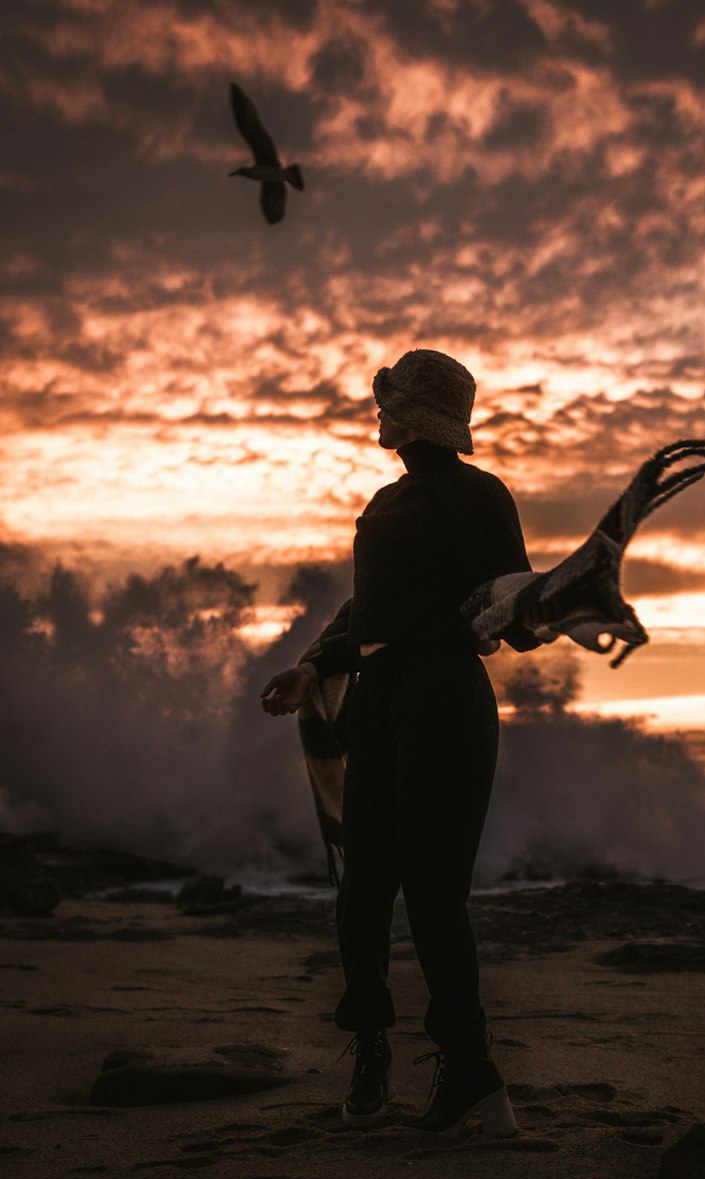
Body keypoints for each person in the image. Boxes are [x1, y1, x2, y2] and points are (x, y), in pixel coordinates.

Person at [260, 349, 539, 1138]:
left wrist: (551, 605)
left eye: (390, 403)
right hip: (378, 704)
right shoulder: (388, 501)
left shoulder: (481, 495)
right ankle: (372, 1047)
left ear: (418, 416)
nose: (378, 414)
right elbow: (369, 612)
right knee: (364, 886)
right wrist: (312, 667)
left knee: (433, 892)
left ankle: (472, 1076)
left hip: (444, 699)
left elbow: (509, 612)